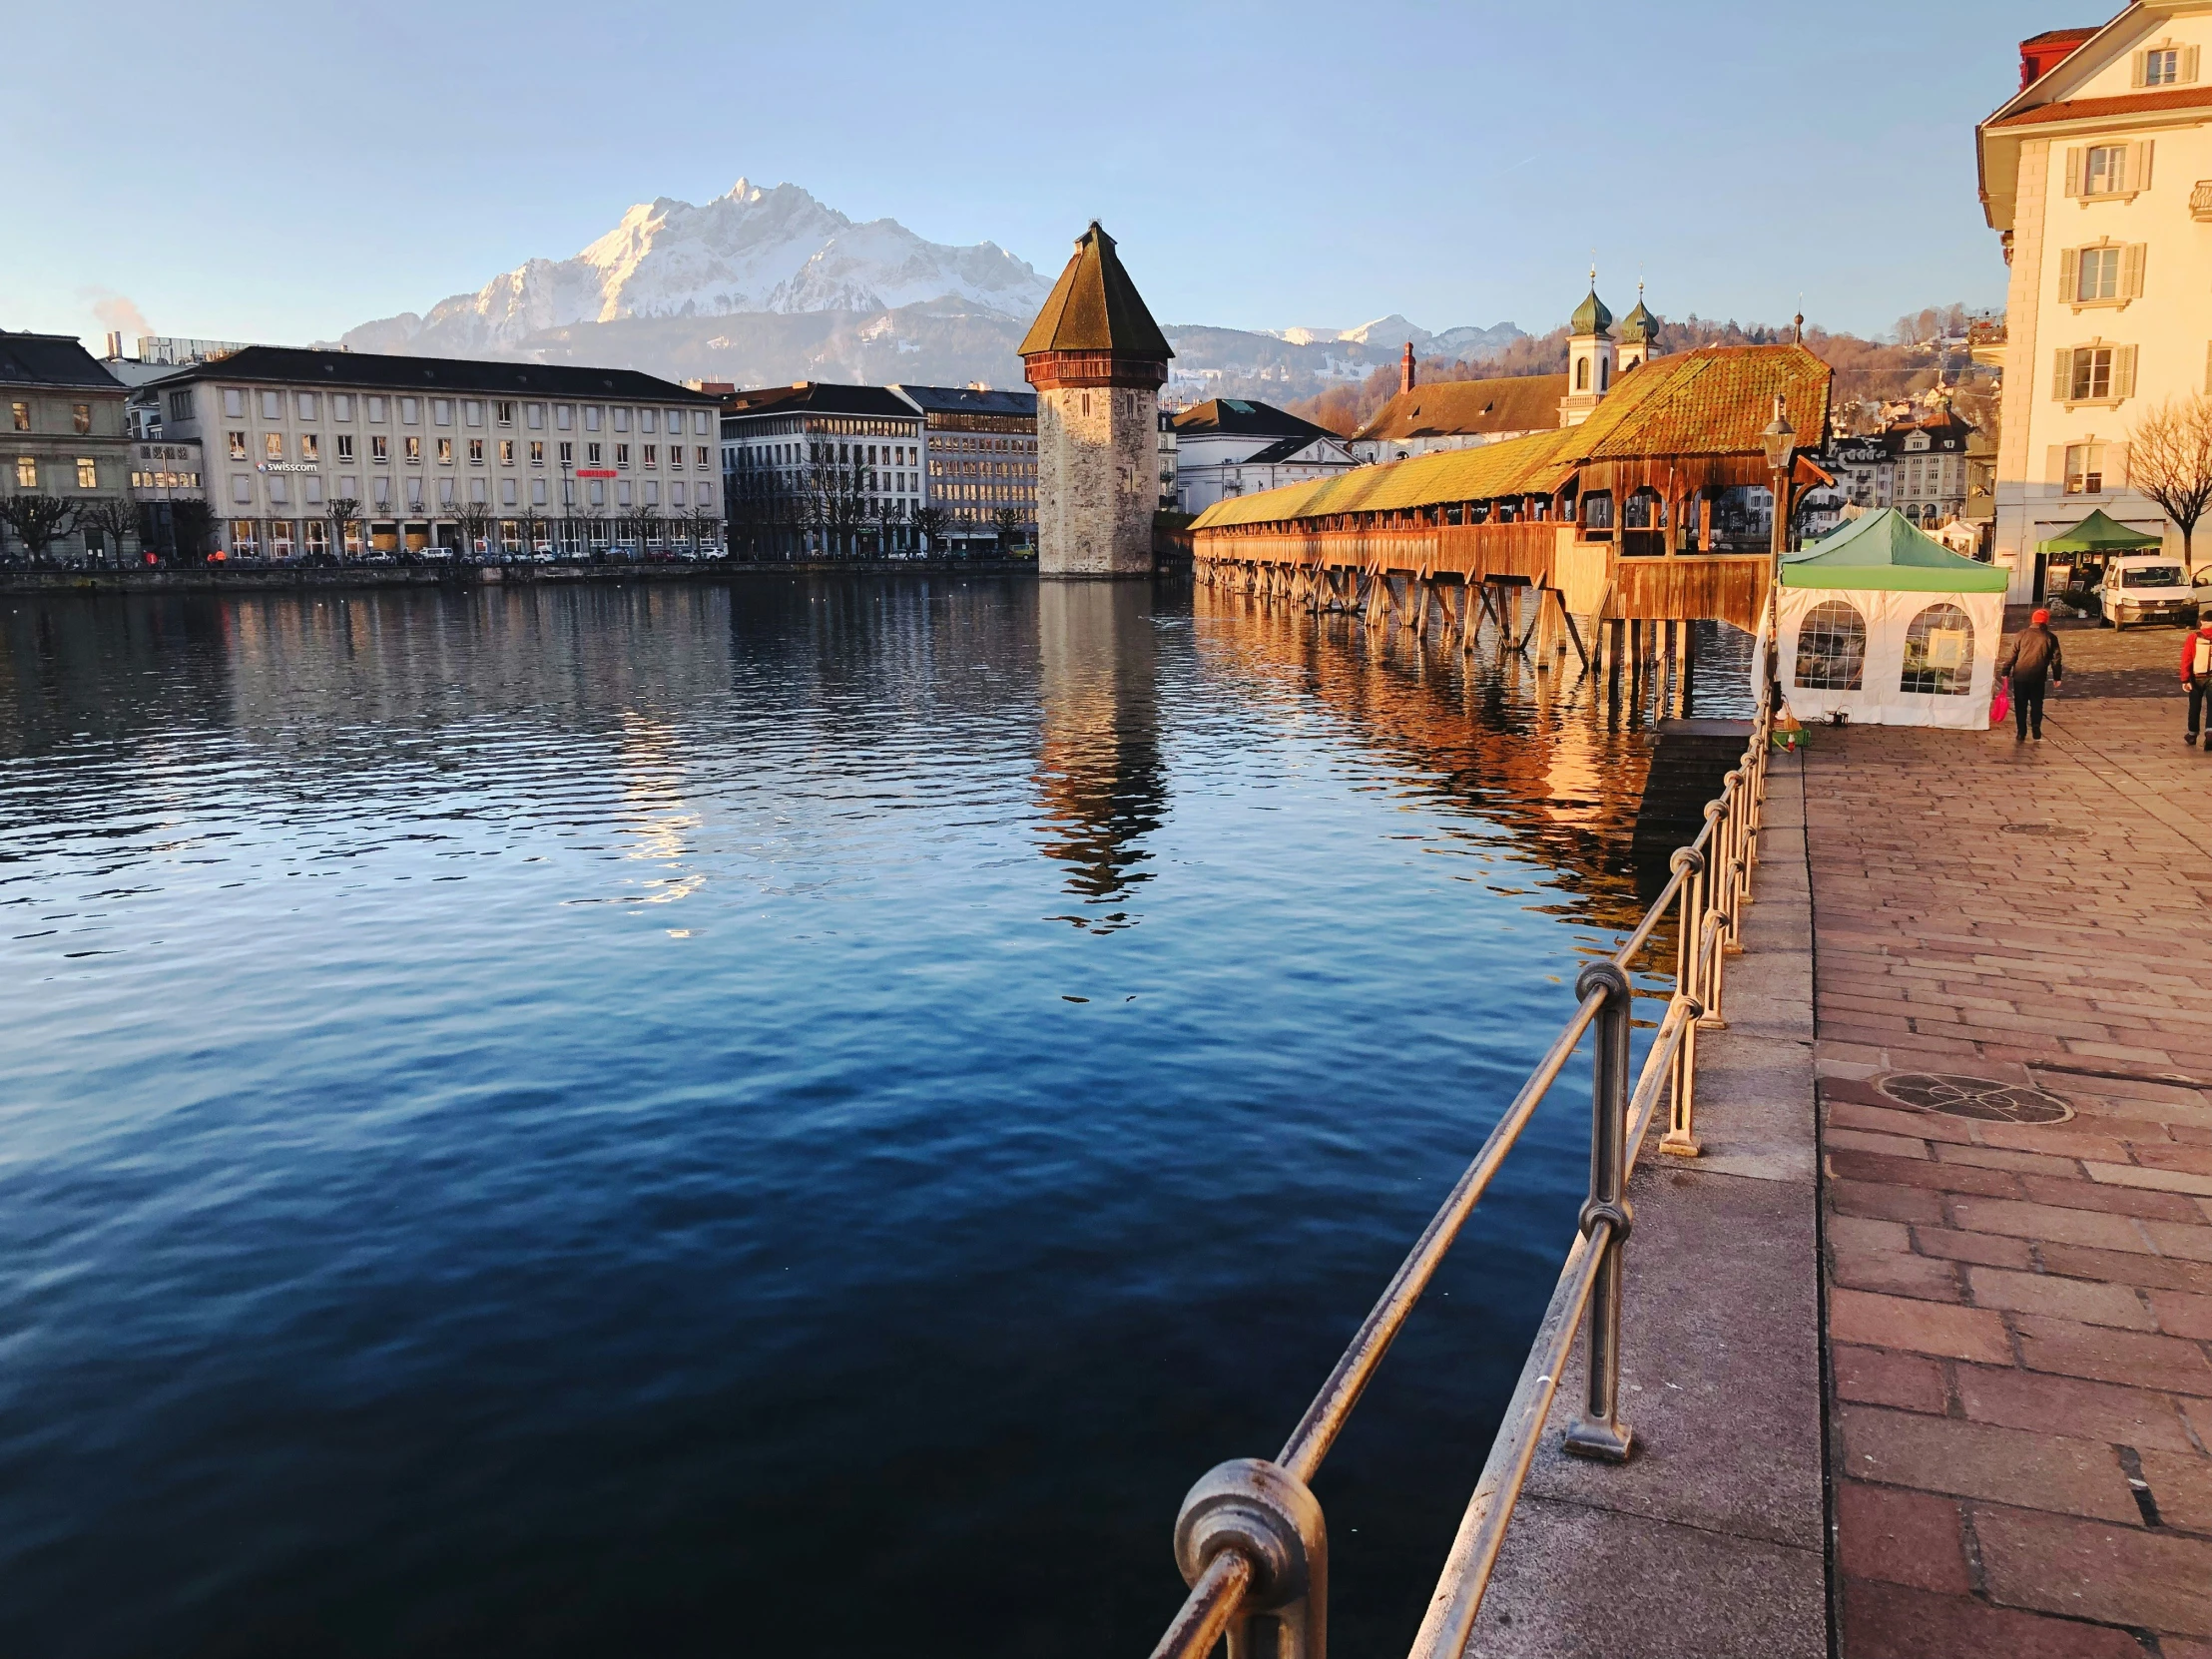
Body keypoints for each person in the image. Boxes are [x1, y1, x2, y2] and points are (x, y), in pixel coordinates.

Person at [1996, 608, 2064, 742]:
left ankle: (2021, 731)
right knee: (2037, 703)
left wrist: (2005, 671)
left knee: (2020, 704)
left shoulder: (2021, 634)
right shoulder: (2050, 637)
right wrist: (2057, 677)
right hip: (2038, 677)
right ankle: (2036, 726)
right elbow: (2056, 659)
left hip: (2021, 675)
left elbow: (2012, 655)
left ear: (2033, 620)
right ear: (2046, 622)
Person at [2184, 614, 2212, 746]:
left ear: (2202, 622)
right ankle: (2210, 732)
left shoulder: (2194, 637)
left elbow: (2187, 659)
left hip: (2196, 677)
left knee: (2194, 706)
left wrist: (2185, 679)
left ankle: (2192, 734)